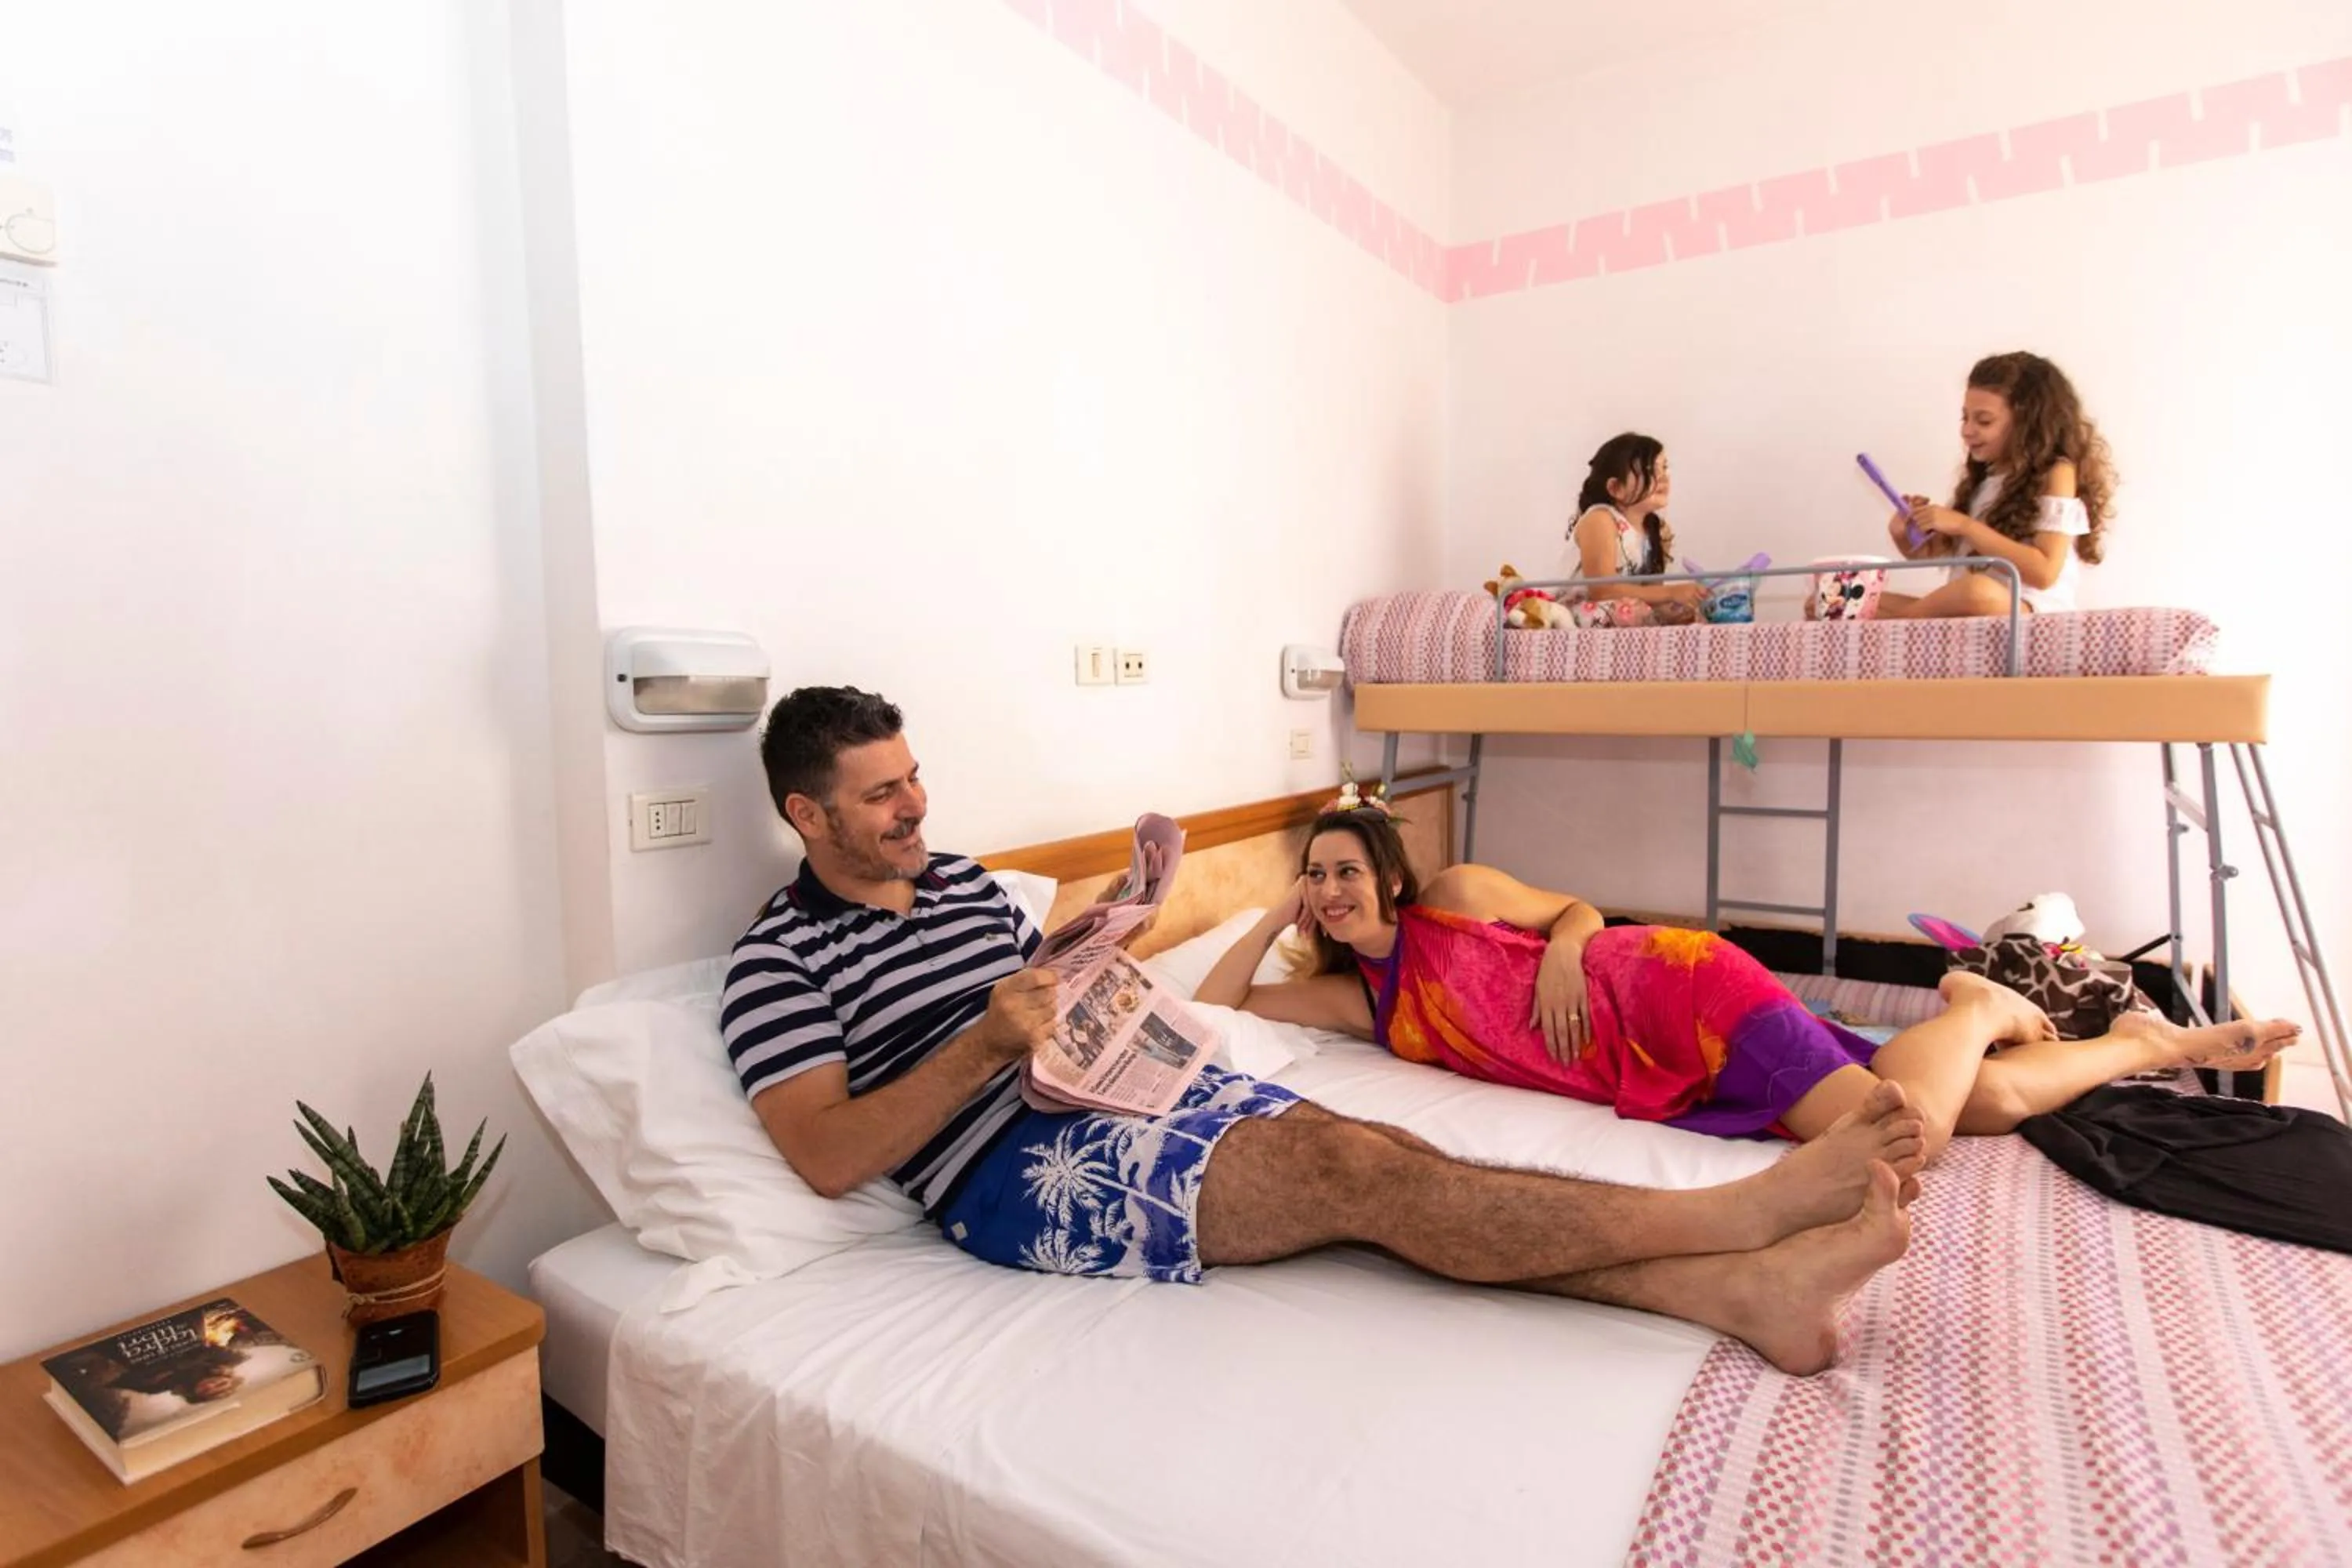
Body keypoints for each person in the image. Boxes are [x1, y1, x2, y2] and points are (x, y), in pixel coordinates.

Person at [724, 686, 1928, 1375]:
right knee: (1354, 1169)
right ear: (805, 813)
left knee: (1396, 1168)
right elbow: (825, 1155)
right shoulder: (777, 961)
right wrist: (988, 1045)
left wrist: (1100, 954)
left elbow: (1041, 997)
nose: (915, 805)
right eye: (882, 794)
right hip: (1016, 1171)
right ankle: (1738, 1216)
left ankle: (1744, 1296)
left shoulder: (973, 887)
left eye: (915, 777)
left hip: (1112, 1087)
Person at [1196, 798, 2298, 1163]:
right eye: (1316, 877)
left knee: (1891, 1123)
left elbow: (1575, 914)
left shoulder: (1462, 897)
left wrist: (1573, 947)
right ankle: (2160, 1048)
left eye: (1346, 869)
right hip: (1651, 1068)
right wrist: (1274, 912)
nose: (1331, 887)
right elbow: (1227, 1004)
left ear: (1389, 873)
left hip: (1671, 987)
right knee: (1987, 1107)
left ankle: (1973, 1000)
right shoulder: (1365, 1002)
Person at [1869, 351, 2116, 619]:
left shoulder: (2056, 472)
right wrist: (1904, 533)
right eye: (1965, 418)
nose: (1967, 430)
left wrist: (1964, 525)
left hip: (2029, 612)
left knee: (1975, 591)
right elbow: (1935, 554)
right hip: (1970, 611)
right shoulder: (1985, 477)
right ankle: (1905, 622)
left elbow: (2044, 573)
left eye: (1983, 421)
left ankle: (1902, 625)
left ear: (2026, 423)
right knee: (1833, 602)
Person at [1556, 434, 1708, 627]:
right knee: (1629, 612)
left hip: (1628, 609)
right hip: (1582, 613)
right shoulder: (1600, 519)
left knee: (1689, 616)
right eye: (1649, 469)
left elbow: (1652, 594)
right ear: (1616, 488)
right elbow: (1602, 591)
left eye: (1664, 467)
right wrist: (1671, 592)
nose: (1663, 477)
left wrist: (1675, 607)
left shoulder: (1657, 531)